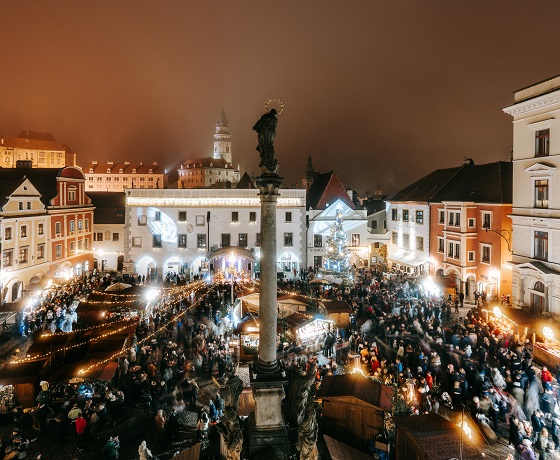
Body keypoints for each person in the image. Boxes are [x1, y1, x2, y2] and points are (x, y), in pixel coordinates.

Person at [253, 109, 279, 174]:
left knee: (266, 146)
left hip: (265, 134)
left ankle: (264, 155)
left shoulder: (265, 117)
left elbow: (257, 126)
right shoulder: (274, 119)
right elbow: (274, 127)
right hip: (268, 135)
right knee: (268, 146)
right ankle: (265, 155)